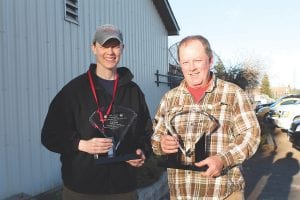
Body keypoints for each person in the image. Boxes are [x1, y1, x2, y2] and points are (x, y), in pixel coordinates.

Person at [41, 24, 153, 200]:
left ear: (122, 48)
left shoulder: (133, 92)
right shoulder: (73, 91)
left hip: (123, 189)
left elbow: (146, 133)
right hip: (81, 190)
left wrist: (142, 152)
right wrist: (81, 144)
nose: (110, 52)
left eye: (115, 45)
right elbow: (49, 135)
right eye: (104, 45)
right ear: (93, 48)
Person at [151, 35, 261, 200]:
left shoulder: (232, 93)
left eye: (197, 60)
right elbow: (155, 137)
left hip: (223, 193)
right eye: (185, 62)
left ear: (210, 61)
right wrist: (161, 143)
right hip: (182, 194)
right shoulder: (169, 99)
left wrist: (223, 159)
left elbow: (250, 135)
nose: (191, 68)